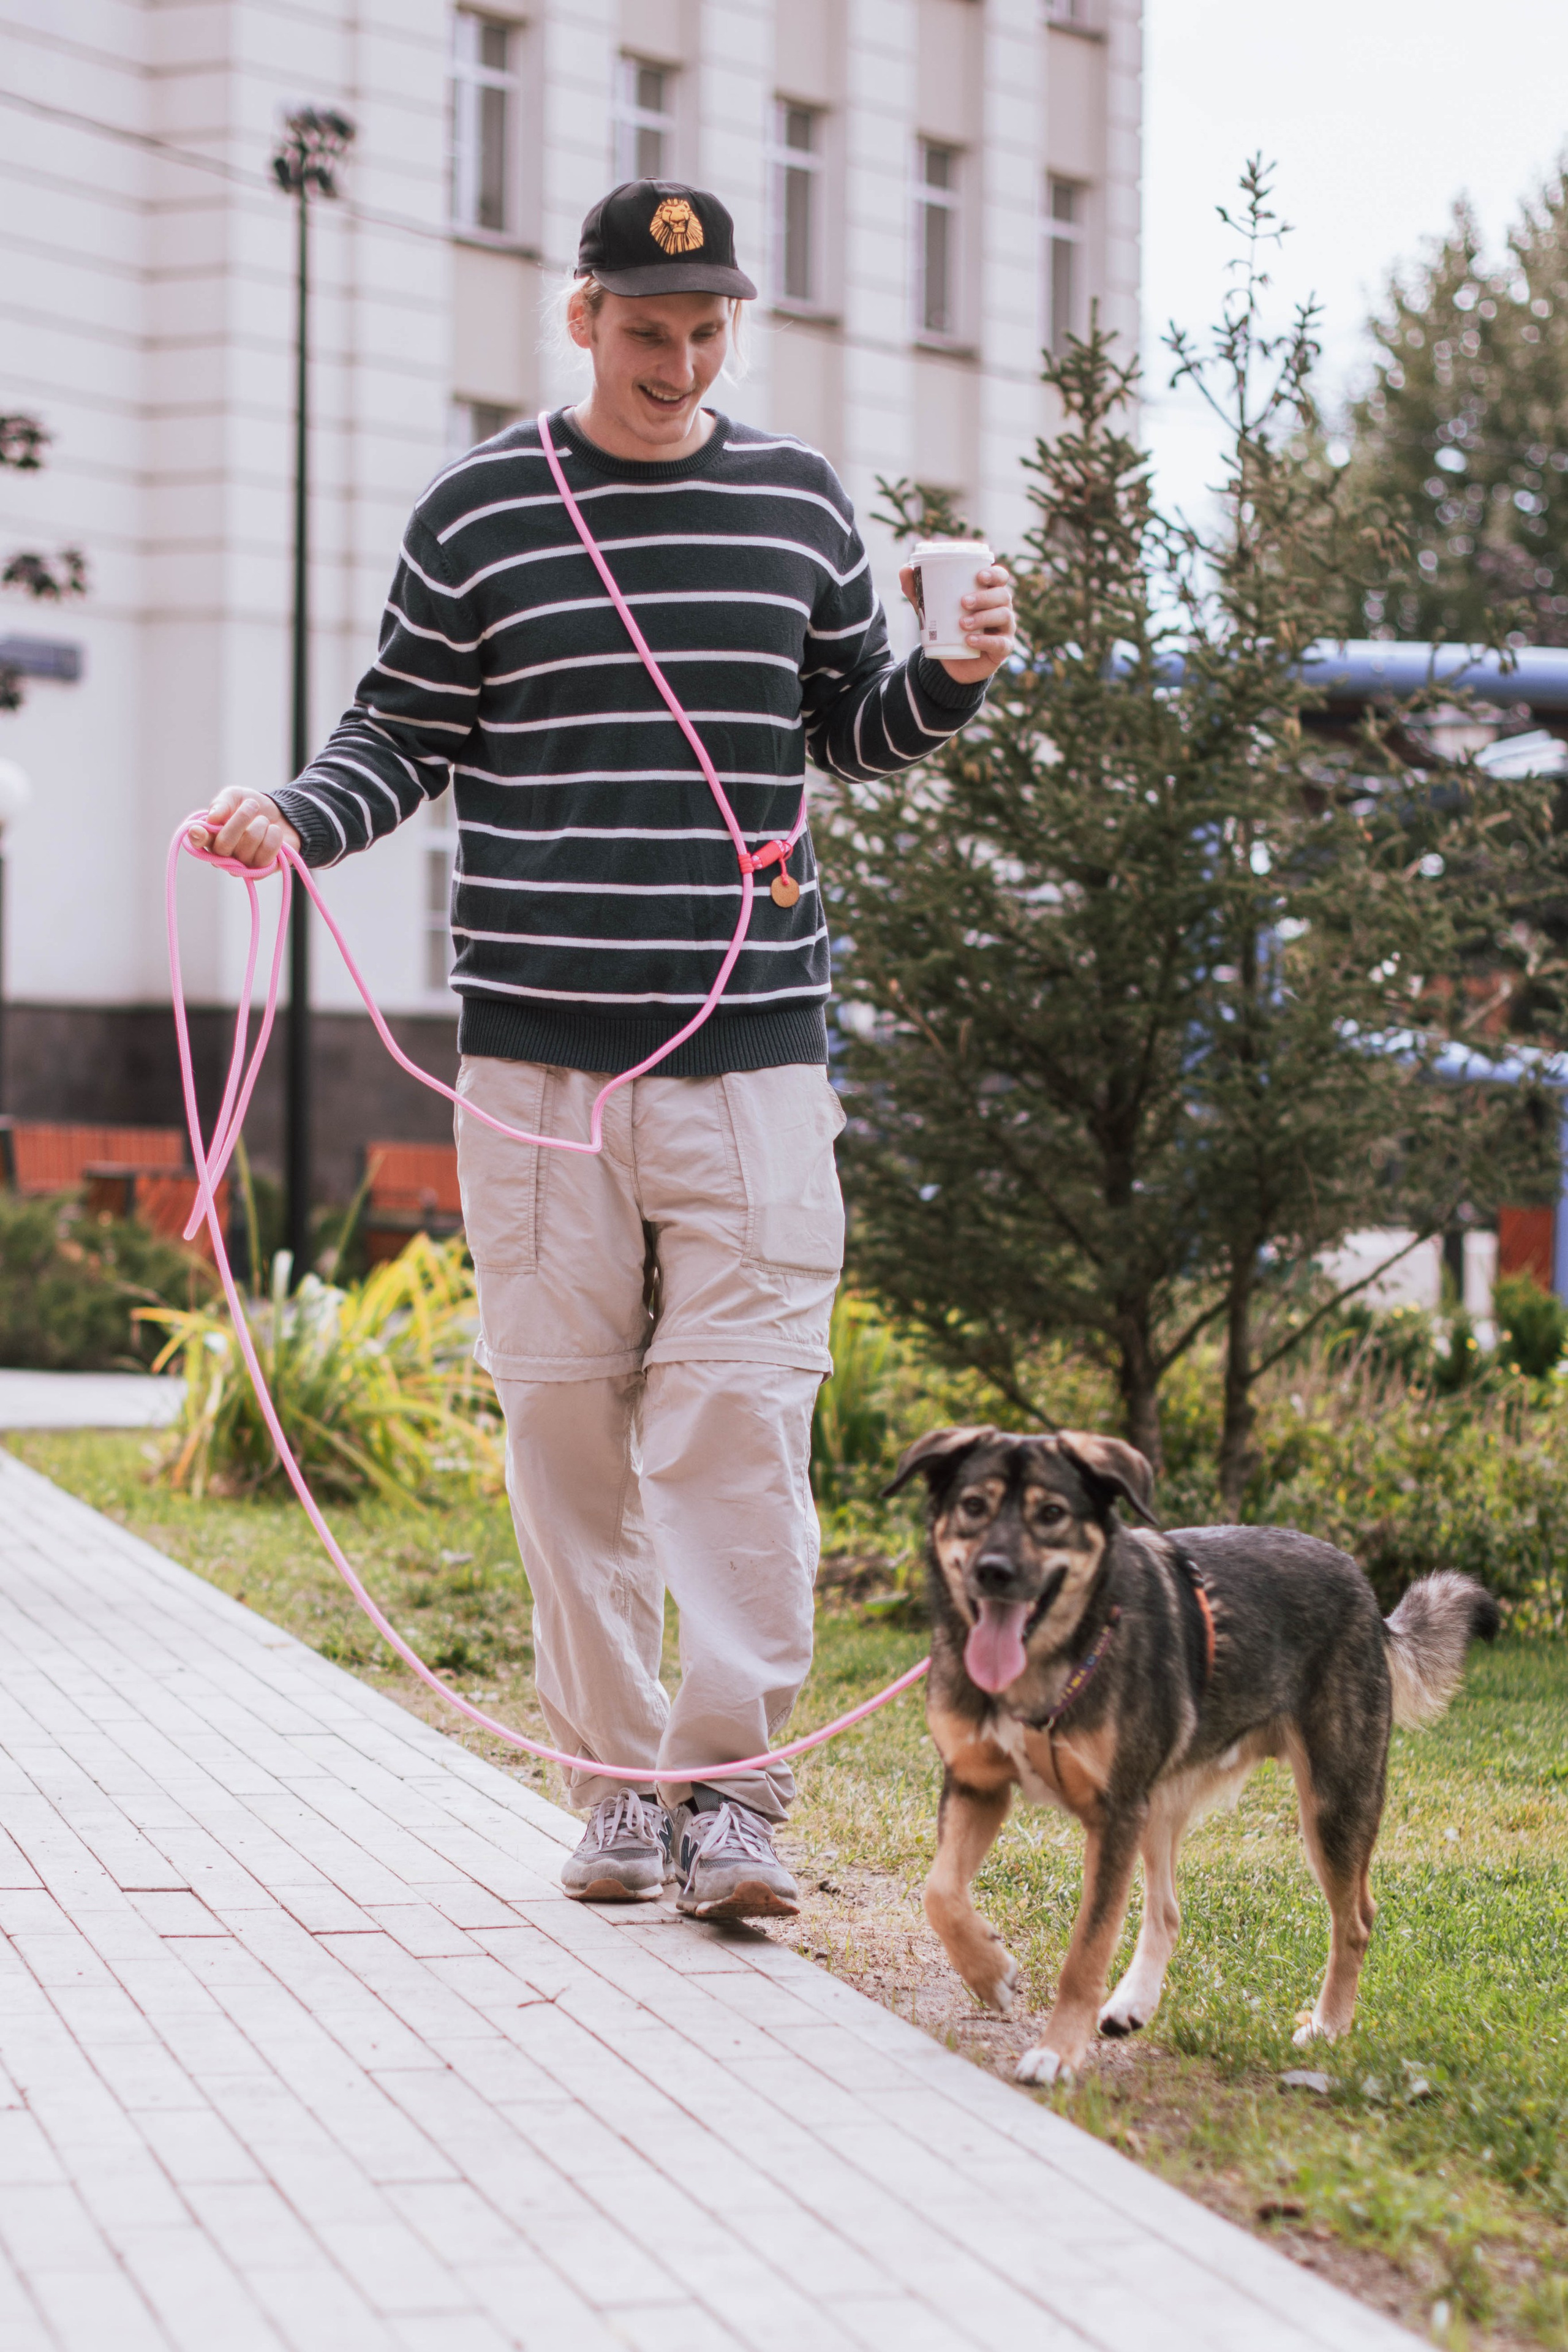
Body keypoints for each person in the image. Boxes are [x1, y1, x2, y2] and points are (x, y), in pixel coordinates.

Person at [194, 180, 1016, 1922]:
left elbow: (850, 722)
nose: (681, 358)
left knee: (734, 1427)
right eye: (651, 328)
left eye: (711, 327)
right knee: (571, 1433)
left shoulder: (796, 497)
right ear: (583, 317)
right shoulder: (479, 511)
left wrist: (948, 678)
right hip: (540, 1066)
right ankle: (619, 1790)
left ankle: (733, 1798)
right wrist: (287, 817)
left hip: (753, 1060)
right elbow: (396, 736)